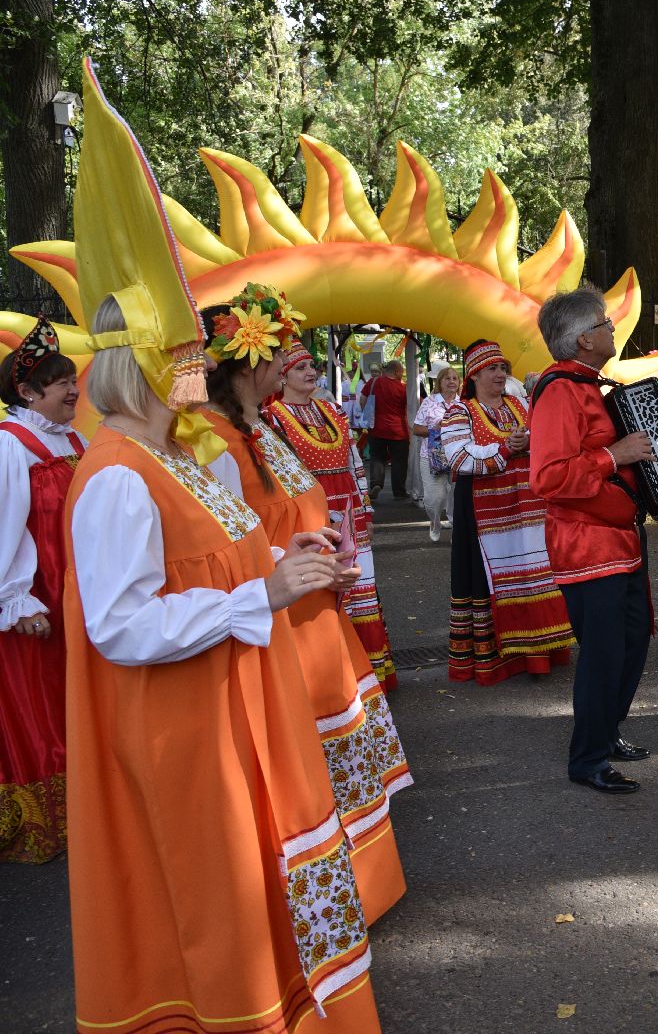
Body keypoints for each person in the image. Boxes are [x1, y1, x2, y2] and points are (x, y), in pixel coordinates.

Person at [61, 66, 381, 1031]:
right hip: (186, 725)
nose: (203, 368)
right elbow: (120, 626)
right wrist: (267, 592)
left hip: (235, 703)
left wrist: (283, 572)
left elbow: (232, 552)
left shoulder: (177, 458)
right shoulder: (119, 474)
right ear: (153, 366)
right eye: (188, 355)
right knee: (216, 906)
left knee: (269, 884)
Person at [201, 286, 413, 923]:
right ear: (251, 361)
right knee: (306, 776)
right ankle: (325, 901)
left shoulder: (261, 427)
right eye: (278, 350)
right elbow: (226, 551)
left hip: (319, 621)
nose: (289, 360)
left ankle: (361, 886)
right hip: (282, 629)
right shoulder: (216, 443)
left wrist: (325, 556)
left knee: (338, 764)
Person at [530, 286, 655, 794]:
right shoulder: (560, 391)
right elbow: (548, 477)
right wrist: (615, 456)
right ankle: (588, 759)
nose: (611, 331)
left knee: (632, 643)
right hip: (586, 546)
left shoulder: (586, 385)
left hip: (616, 541)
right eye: (604, 325)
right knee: (604, 653)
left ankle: (607, 732)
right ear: (584, 339)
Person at [440, 339, 574, 685]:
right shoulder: (460, 411)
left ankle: (541, 649)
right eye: (491, 369)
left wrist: (529, 442)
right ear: (474, 374)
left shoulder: (519, 404)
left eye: (502, 368)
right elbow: (458, 457)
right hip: (484, 511)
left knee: (533, 569)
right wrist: (504, 447)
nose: (499, 374)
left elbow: (544, 438)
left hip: (527, 506)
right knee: (491, 577)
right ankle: (498, 658)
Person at [265, 341, 398, 690]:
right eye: (300, 367)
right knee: (328, 593)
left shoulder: (333, 410)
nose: (311, 371)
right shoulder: (273, 418)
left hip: (350, 512)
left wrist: (365, 506)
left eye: (312, 364)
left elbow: (355, 462)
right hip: (313, 519)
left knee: (361, 586)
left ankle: (370, 677)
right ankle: (335, 681)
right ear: (281, 376)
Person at [0, 318, 81, 863]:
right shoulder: (11, 445)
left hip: (75, 592)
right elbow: (5, 524)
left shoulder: (75, 438)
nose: (74, 390)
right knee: (42, 709)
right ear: (27, 391)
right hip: (37, 599)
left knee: (72, 701)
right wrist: (16, 598)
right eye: (61, 384)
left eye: (73, 379)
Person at [411, 365, 461, 541]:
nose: (451, 382)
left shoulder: (463, 403)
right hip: (432, 456)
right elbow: (416, 429)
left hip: (457, 455)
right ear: (440, 382)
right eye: (447, 378)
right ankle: (434, 520)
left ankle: (457, 528)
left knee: (457, 495)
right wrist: (436, 429)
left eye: (455, 378)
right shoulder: (430, 402)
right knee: (435, 498)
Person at [362, 359, 409, 499]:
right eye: (402, 371)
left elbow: (363, 399)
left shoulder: (373, 382)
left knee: (377, 457)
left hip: (376, 427)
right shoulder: (403, 388)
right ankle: (399, 492)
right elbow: (409, 408)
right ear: (397, 371)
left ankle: (376, 483)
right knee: (399, 461)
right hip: (398, 430)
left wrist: (368, 414)